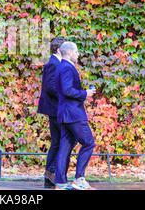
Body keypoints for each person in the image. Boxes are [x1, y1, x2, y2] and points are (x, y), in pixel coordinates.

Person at [54, 41, 96, 190]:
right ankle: (79, 179)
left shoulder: (60, 67)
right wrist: (85, 94)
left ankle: (60, 183)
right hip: (73, 115)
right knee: (89, 142)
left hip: (65, 114)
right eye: (77, 52)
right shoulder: (67, 67)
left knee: (65, 147)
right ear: (70, 52)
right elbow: (67, 90)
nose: (78, 55)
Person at [38, 36, 66, 188]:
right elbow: (51, 87)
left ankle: (51, 174)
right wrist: (66, 95)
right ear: (58, 49)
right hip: (56, 109)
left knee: (58, 141)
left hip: (56, 108)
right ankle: (52, 173)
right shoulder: (53, 64)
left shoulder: (55, 62)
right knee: (60, 141)